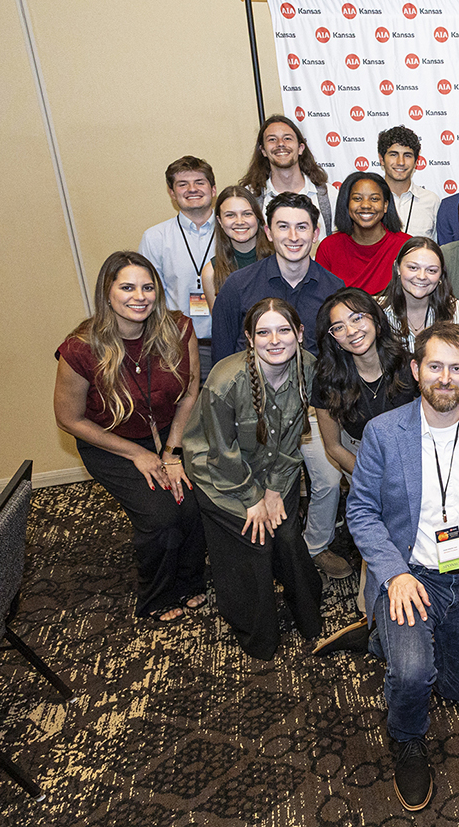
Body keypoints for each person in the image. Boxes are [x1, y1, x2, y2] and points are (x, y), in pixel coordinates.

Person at [346, 323, 459, 812]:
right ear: (415, 370)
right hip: (411, 573)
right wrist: (395, 574)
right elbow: (360, 511)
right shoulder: (383, 432)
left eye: (457, 368)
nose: (445, 378)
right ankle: (406, 738)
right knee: (413, 674)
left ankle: (383, 634)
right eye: (435, 366)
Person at [54, 251, 205, 624]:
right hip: (110, 443)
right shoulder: (80, 348)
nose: (140, 296)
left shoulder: (178, 329)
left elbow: (190, 392)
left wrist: (171, 452)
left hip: (171, 433)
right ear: (108, 294)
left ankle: (189, 579)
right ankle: (157, 595)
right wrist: (136, 455)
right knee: (160, 516)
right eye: (127, 287)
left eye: (148, 287)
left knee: (193, 502)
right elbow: (68, 418)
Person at [211, 193, 351, 580]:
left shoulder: (332, 288)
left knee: (326, 478)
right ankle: (269, 546)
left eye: (302, 226)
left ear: (316, 232)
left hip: (311, 408)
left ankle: (315, 546)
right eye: (283, 226)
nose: (293, 236)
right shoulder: (238, 286)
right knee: (257, 482)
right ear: (268, 232)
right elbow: (223, 356)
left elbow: (339, 353)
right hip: (252, 410)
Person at [183, 298, 323, 659]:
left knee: (289, 536)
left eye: (284, 330)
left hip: (278, 469)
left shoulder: (309, 368)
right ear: (249, 338)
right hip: (222, 478)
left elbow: (295, 436)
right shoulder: (225, 381)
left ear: (299, 333)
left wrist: (274, 488)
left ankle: (308, 615)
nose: (274, 340)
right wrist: (253, 498)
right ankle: (256, 632)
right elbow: (219, 451)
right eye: (263, 332)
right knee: (256, 542)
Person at [313, 288, 418, 478]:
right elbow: (333, 446)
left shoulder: (409, 366)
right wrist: (371, 476)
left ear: (376, 321)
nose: (351, 331)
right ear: (334, 339)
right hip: (357, 457)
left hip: (410, 450)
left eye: (357, 318)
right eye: (338, 327)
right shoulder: (327, 378)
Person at [139, 156, 217, 371]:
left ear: (213, 189)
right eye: (183, 184)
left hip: (229, 343)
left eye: (200, 182)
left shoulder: (235, 231)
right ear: (172, 194)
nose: (192, 189)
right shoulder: (155, 237)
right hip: (178, 346)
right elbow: (150, 295)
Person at [239, 114, 335, 242]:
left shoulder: (329, 195)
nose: (280, 144)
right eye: (272, 139)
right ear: (263, 151)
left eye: (287, 138)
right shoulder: (249, 197)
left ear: (301, 148)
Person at [316, 171, 411, 295]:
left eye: (374, 199)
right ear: (347, 204)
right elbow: (321, 299)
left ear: (385, 205)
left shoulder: (406, 246)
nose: (366, 205)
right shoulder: (329, 247)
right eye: (357, 198)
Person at [378, 237, 459, 352]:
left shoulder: (456, 311)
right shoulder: (379, 311)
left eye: (431, 270)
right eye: (413, 268)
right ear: (398, 268)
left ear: (441, 275)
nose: (421, 276)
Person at [202, 187, 272, 309]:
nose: (240, 221)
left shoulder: (280, 259)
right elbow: (221, 325)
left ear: (258, 217)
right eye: (230, 215)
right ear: (219, 221)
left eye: (247, 214)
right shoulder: (211, 272)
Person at [378, 126, 439, 240]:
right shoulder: (368, 200)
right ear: (381, 159)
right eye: (393, 154)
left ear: (416, 161)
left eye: (407, 155)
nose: (400, 162)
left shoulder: (431, 201)